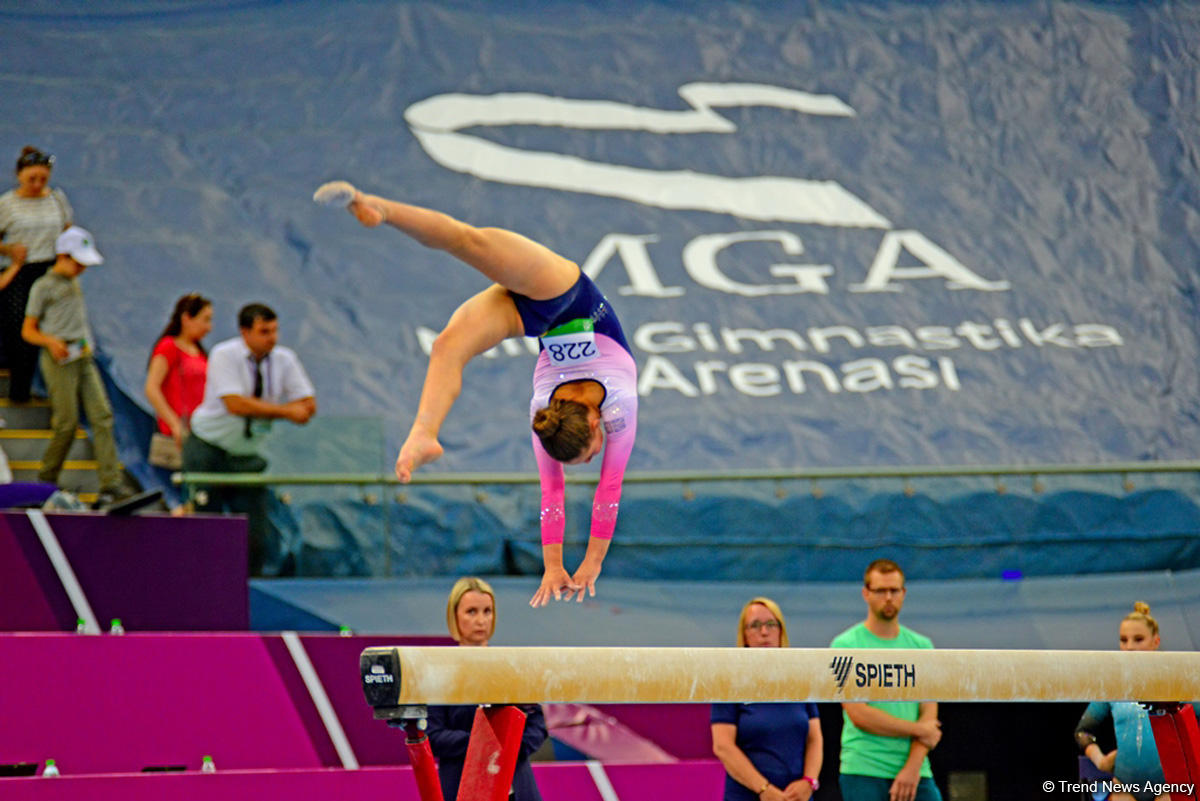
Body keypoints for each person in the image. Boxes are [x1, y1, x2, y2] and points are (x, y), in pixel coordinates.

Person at [314, 181, 638, 607]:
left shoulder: (545, 411)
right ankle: (379, 207)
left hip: (527, 317)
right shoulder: (619, 405)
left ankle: (423, 433)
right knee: (470, 242)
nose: (597, 457)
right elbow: (605, 488)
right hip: (562, 293)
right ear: (597, 422)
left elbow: (554, 492)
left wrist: (558, 563)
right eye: (592, 454)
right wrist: (585, 562)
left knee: (448, 345)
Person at [184, 303, 315, 576]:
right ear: (245, 332)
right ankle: (203, 583)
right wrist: (284, 411)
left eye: (275, 330)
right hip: (208, 448)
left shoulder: (284, 359)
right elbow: (235, 404)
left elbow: (307, 403)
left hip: (246, 454)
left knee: (255, 531)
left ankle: (250, 589)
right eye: (264, 331)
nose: (272, 338)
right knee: (206, 524)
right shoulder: (224, 355)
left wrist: (288, 410)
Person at [20, 226, 126, 504]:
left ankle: (111, 483)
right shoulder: (44, 286)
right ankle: (46, 478)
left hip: (82, 356)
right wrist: (51, 341)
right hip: (59, 359)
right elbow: (28, 330)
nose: (81, 270)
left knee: (102, 415)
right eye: (77, 263)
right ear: (63, 256)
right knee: (66, 423)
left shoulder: (74, 283)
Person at [426, 577, 547, 801]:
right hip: (463, 786)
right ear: (454, 616)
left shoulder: (510, 668)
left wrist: (510, 750)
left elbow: (537, 726)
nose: (481, 620)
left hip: (515, 788)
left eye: (487, 611)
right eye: (471, 612)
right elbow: (433, 736)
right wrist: (484, 745)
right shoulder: (440, 672)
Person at [830, 559, 942, 801]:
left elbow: (929, 716)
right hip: (864, 768)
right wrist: (918, 730)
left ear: (904, 593)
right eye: (881, 590)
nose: (888, 597)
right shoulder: (845, 645)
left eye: (894, 590)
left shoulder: (922, 647)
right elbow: (859, 715)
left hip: (916, 769)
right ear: (866, 593)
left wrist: (912, 768)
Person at [1074, 602, 1198, 801]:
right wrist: (1101, 761)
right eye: (1124, 640)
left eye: (1138, 639)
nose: (1130, 647)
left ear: (1156, 641)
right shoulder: (1114, 685)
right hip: (1125, 785)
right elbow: (1084, 731)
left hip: (1169, 785)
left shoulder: (1174, 683)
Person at [711, 597, 822, 801]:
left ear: (781, 631)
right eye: (755, 625)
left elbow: (815, 739)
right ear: (744, 635)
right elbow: (723, 746)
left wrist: (809, 781)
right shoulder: (729, 680)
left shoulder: (799, 677)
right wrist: (764, 789)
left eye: (771, 624)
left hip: (798, 796)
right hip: (748, 795)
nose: (764, 632)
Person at [1, 146, 73, 402]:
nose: (37, 184)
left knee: (55, 325)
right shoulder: (8, 204)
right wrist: (9, 250)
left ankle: (50, 390)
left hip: (50, 266)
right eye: (32, 179)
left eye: (42, 179)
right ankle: (19, 390)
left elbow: (67, 231)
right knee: (21, 329)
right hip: (22, 269)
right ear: (20, 175)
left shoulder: (56, 199)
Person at [144, 293, 213, 513]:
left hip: (200, 433)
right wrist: (174, 423)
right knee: (178, 496)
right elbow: (152, 387)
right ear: (186, 318)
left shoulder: (201, 353)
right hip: (176, 435)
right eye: (205, 319)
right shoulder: (169, 347)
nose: (208, 327)